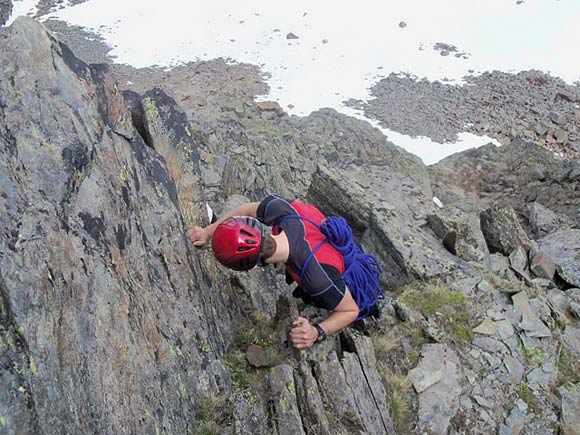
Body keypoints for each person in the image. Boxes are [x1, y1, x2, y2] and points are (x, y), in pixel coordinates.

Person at [187, 195, 364, 349]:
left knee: (341, 301)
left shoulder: (317, 278)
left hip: (352, 280)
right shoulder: (281, 210)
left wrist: (316, 332)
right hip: (324, 245)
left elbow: (350, 310)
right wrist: (208, 232)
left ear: (252, 267)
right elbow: (247, 209)